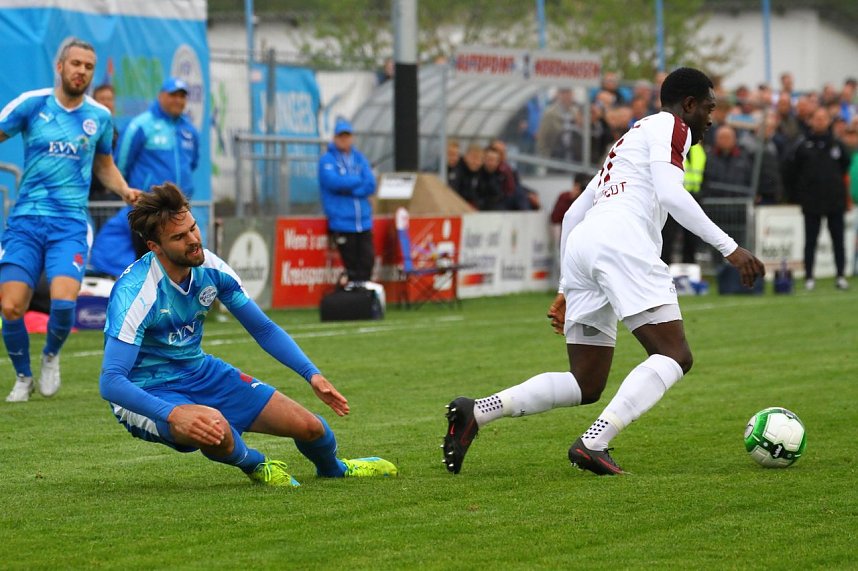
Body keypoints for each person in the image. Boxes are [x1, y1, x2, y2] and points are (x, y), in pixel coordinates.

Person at [442, 67, 764, 476]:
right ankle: (595, 442)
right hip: (621, 243)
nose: (712, 118)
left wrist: (564, 286)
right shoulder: (671, 127)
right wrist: (731, 249)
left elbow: (577, 210)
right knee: (674, 355)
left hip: (585, 244)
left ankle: (478, 411)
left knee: (586, 382)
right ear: (688, 105)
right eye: (709, 107)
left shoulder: (629, 138)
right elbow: (670, 194)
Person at [99, 182, 397, 486]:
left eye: (193, 228)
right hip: (149, 391)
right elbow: (112, 381)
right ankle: (256, 464)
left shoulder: (210, 268)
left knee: (310, 427)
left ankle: (335, 469)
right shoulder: (135, 293)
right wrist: (172, 413)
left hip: (200, 371)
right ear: (155, 246)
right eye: (179, 237)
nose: (193, 241)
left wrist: (312, 375)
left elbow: (263, 329)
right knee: (215, 428)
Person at [0, 38, 140, 403]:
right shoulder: (32, 105)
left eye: (89, 66)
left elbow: (104, 165)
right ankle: (23, 376)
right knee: (11, 305)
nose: (82, 71)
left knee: (64, 302)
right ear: (60, 67)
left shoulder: (99, 117)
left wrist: (125, 191)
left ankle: (50, 355)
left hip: (69, 225)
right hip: (26, 221)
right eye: (75, 63)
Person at [783, 107, 851, 290]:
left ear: (829, 121)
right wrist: (798, 195)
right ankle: (809, 277)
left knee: (838, 240)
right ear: (810, 121)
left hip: (835, 201)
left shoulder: (837, 145)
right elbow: (791, 171)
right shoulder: (802, 145)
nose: (820, 121)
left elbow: (845, 166)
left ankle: (840, 276)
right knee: (810, 241)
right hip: (811, 202)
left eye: (824, 118)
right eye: (817, 118)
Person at [318, 118, 377, 284]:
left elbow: (371, 184)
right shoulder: (327, 159)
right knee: (351, 265)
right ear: (335, 138)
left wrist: (350, 186)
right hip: (342, 222)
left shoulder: (359, 157)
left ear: (352, 137)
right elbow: (333, 182)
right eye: (341, 136)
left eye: (347, 136)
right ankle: (352, 299)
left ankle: (363, 299)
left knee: (367, 262)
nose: (344, 140)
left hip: (363, 222)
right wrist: (357, 181)